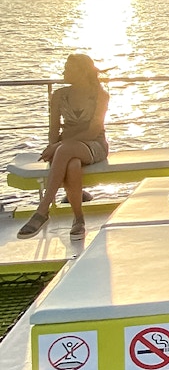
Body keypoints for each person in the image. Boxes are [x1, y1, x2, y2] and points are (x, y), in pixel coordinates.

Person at [18, 53, 109, 241]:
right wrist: (54, 146)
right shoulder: (59, 95)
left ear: (82, 72)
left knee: (65, 151)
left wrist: (58, 146)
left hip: (94, 145)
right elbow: (53, 129)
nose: (63, 71)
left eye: (68, 69)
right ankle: (78, 220)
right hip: (65, 149)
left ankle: (42, 210)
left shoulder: (100, 95)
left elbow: (94, 130)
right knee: (72, 165)